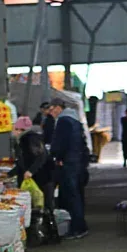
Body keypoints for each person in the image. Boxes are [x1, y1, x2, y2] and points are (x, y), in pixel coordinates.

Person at [50, 97, 89, 239]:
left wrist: (57, 157)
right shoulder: (75, 120)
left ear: (58, 107)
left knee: (71, 196)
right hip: (78, 162)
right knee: (78, 194)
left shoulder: (63, 121)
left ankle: (77, 228)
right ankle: (81, 226)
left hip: (69, 163)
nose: (51, 113)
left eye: (52, 109)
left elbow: (60, 143)